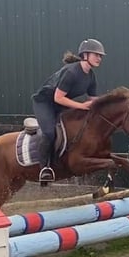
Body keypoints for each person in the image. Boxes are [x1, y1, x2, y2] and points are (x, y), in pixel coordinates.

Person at [31, 38, 106, 181]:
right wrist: (81, 106)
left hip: (61, 104)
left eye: (100, 56)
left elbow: (94, 102)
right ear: (85, 55)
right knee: (49, 132)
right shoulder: (72, 72)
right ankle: (45, 168)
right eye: (96, 55)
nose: (99, 58)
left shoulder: (91, 76)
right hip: (45, 103)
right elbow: (58, 98)